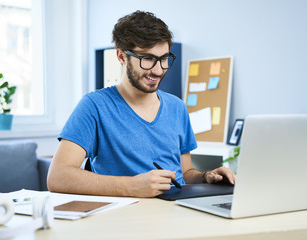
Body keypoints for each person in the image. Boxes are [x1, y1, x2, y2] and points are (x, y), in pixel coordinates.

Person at [47, 10, 235, 198]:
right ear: (121, 57)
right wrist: (131, 186)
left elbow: (185, 174)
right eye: (147, 59)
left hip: (176, 213)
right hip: (126, 218)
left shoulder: (177, 107)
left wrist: (206, 177)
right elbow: (58, 177)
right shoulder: (94, 106)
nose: (158, 70)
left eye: (163, 59)